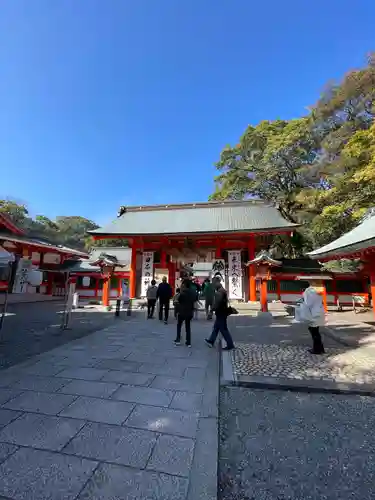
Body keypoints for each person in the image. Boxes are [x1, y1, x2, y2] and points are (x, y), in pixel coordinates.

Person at [205, 277, 235, 351]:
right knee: (216, 327)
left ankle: (230, 344)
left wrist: (211, 311)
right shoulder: (222, 290)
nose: (213, 285)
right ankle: (211, 341)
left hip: (221, 312)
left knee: (223, 329)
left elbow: (216, 304)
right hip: (222, 312)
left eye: (214, 283)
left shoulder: (219, 292)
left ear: (217, 282)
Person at [300, 284, 325, 354]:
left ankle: (317, 349)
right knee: (316, 331)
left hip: (312, 313)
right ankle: (320, 348)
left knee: (314, 331)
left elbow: (308, 303)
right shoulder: (319, 290)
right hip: (319, 311)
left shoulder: (309, 291)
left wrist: (303, 298)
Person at [175, 279, 196, 347]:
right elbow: (195, 300)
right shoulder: (193, 292)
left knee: (179, 325)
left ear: (184, 285)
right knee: (188, 326)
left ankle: (178, 340)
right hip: (190, 312)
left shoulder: (182, 293)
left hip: (182, 311)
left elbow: (179, 301)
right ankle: (188, 342)